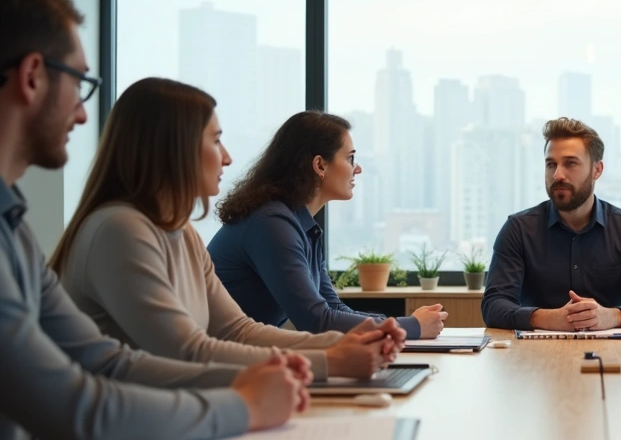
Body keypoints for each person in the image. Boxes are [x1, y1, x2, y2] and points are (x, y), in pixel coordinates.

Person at [0, 0, 306, 440]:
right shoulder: (116, 227)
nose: (81, 112)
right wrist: (242, 402)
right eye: (80, 84)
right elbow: (79, 409)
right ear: (31, 76)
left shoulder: (14, 228)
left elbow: (106, 363)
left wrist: (266, 378)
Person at [50, 78, 402, 381]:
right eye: (216, 140)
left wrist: (348, 343)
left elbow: (238, 330)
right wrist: (331, 359)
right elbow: (188, 352)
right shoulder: (120, 229)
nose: (228, 157)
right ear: (174, 148)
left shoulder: (181, 232)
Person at [206, 111, 447, 338]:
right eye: (350, 158)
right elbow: (316, 320)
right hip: (215, 365)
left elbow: (332, 307)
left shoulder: (298, 224)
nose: (358, 168)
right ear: (320, 165)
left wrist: (399, 325)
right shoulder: (271, 223)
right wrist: (410, 326)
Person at [481, 117, 621, 330]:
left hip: (612, 353)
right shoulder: (518, 229)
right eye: (551, 164)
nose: (558, 174)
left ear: (597, 170)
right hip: (534, 354)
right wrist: (548, 318)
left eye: (570, 163)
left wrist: (610, 317)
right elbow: (493, 306)